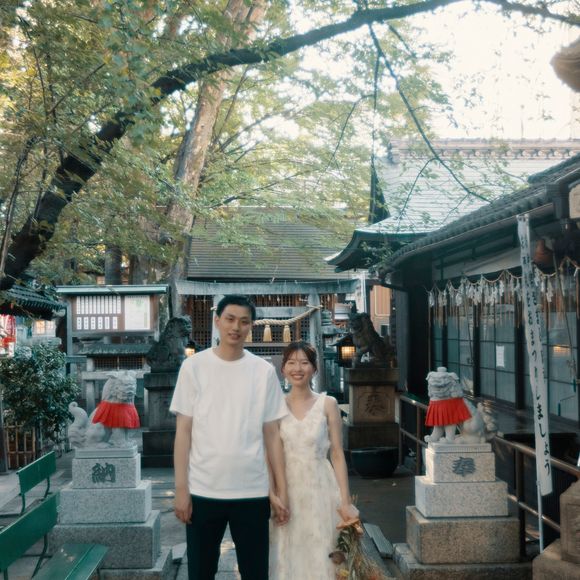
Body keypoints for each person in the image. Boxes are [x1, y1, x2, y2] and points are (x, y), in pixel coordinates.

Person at [170, 294, 289, 580]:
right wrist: (181, 489)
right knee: (200, 572)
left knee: (255, 572)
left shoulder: (263, 372)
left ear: (251, 326)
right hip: (203, 489)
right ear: (217, 321)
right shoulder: (194, 367)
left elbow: (272, 435)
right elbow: (183, 432)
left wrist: (281, 491)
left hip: (252, 491)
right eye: (230, 319)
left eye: (244, 322)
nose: (236, 327)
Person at [269, 341, 359, 579]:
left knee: (323, 548)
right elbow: (270, 455)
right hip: (288, 487)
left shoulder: (328, 404)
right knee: (289, 550)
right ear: (283, 369)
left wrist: (345, 500)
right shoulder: (275, 406)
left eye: (304, 363)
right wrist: (274, 494)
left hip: (321, 486)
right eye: (291, 363)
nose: (297, 368)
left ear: (314, 368)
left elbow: (337, 453)